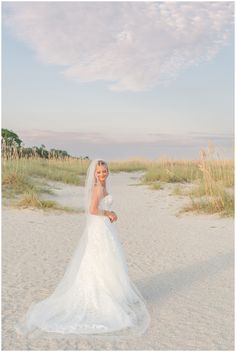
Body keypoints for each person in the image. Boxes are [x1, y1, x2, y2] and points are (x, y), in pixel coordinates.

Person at [15, 158, 150, 340]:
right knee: (100, 259)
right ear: (94, 174)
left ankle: (111, 291)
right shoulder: (98, 188)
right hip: (100, 228)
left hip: (104, 228)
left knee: (107, 260)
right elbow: (92, 209)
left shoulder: (102, 186)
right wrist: (109, 213)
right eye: (99, 172)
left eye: (105, 171)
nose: (103, 174)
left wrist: (109, 215)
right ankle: (101, 294)